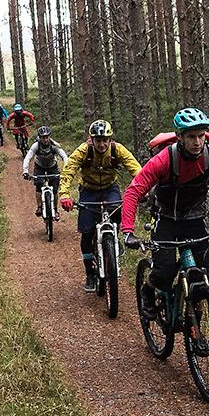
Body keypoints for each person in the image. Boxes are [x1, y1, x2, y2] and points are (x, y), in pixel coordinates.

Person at [119, 107, 209, 308]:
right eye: (191, 136)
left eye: (201, 136)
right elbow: (133, 191)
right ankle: (148, 289)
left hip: (195, 219)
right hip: (166, 219)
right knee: (164, 273)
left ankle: (194, 325)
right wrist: (128, 231)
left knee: (204, 277)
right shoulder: (164, 159)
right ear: (179, 137)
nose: (197, 142)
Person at [59, 119, 142, 292]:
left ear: (110, 139)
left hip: (109, 188)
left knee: (118, 210)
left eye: (106, 140)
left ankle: (114, 238)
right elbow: (69, 170)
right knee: (87, 232)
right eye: (98, 140)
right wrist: (65, 194)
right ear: (91, 140)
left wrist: (144, 188)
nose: (102, 144)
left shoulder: (117, 150)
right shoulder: (84, 151)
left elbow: (135, 168)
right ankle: (89, 273)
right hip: (89, 191)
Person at [21, 126, 67, 222]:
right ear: (39, 137)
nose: (45, 139)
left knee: (54, 189)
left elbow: (64, 156)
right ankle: (39, 207)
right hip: (39, 167)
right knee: (38, 186)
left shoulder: (53, 145)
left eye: (47, 137)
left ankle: (55, 210)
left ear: (49, 137)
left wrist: (66, 170)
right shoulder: (36, 146)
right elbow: (28, 158)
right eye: (43, 137)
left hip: (52, 167)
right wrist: (25, 171)